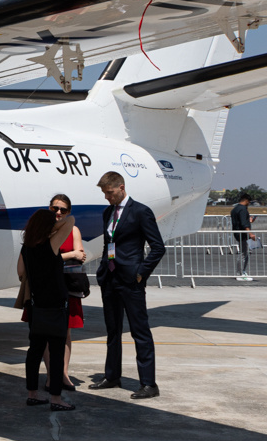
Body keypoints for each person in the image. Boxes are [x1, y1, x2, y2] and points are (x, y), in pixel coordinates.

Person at [90, 171, 166, 399]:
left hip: (131, 281)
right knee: (112, 331)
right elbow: (109, 243)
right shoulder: (108, 212)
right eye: (104, 193)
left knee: (139, 331)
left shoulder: (141, 211)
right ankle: (112, 376)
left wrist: (141, 273)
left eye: (110, 193)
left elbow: (158, 247)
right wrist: (103, 269)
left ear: (121, 187)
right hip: (110, 279)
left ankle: (149, 384)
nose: (106, 197)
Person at [17, 208, 74, 411]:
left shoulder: (27, 248)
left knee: (34, 351)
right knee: (57, 353)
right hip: (56, 306)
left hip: (36, 306)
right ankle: (56, 399)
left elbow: (21, 272)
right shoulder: (51, 245)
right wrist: (54, 225)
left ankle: (32, 394)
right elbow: (71, 221)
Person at [44, 193, 85, 388]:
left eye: (63, 209)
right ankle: (51, 375)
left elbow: (81, 255)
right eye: (55, 208)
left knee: (65, 333)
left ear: (69, 212)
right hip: (46, 285)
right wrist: (69, 255)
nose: (59, 212)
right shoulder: (44, 229)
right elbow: (44, 258)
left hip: (67, 286)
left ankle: (63, 374)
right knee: (45, 333)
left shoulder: (73, 229)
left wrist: (63, 257)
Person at [231, 193, 256, 281]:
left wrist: (249, 220)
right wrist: (250, 234)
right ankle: (241, 273)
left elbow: (241, 221)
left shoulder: (235, 209)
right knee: (243, 254)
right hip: (242, 233)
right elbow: (243, 223)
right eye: (249, 202)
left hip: (237, 232)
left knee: (243, 253)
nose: (249, 204)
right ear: (246, 200)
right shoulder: (243, 209)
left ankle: (241, 272)